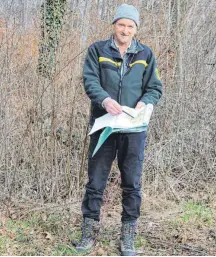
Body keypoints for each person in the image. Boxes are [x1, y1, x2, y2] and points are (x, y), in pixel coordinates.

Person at [76, 4, 163, 256]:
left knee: (132, 183)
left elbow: (155, 87)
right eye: (121, 24)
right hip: (104, 125)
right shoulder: (97, 50)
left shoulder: (146, 54)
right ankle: (88, 234)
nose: (125, 30)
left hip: (134, 129)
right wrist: (104, 100)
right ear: (114, 25)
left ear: (136, 29)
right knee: (95, 182)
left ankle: (128, 237)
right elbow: (90, 81)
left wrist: (145, 102)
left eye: (130, 26)